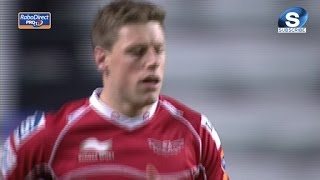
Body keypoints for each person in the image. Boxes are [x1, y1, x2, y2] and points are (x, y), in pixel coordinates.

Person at [1, 0, 229, 179]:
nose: (152, 61)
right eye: (137, 51)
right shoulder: (50, 135)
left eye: (159, 50)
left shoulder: (197, 133)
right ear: (102, 59)